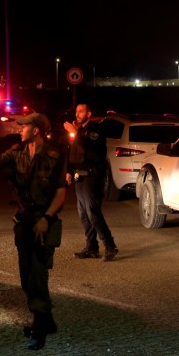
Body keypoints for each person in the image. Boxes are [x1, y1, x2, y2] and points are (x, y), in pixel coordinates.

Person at [0, 113, 67, 351]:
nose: (19, 129)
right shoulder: (15, 153)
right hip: (24, 223)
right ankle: (47, 321)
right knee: (27, 277)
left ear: (36, 130)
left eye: (24, 125)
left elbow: (60, 191)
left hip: (44, 222)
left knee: (38, 275)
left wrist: (47, 218)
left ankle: (39, 329)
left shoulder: (54, 156)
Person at [63, 103, 119, 262]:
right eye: (76, 111)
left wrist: (77, 133)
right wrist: (68, 170)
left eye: (81, 111)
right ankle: (92, 247)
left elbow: (93, 152)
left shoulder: (95, 130)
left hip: (91, 176)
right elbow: (72, 152)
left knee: (93, 212)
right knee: (83, 214)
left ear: (89, 113)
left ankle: (110, 246)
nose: (77, 114)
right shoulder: (79, 131)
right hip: (78, 176)